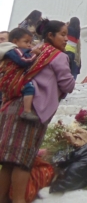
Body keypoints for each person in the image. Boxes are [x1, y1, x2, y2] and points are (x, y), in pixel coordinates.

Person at [0, 19, 75, 203]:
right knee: (23, 161)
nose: (66, 39)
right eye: (63, 35)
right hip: (31, 113)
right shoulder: (58, 56)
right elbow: (68, 84)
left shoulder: (32, 51)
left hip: (12, 107)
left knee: (8, 162)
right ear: (50, 35)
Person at [0, 28, 40, 121]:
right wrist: (35, 54)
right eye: (26, 42)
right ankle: (27, 111)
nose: (29, 45)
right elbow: (24, 61)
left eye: (30, 42)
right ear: (15, 41)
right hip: (12, 79)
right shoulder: (15, 51)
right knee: (29, 87)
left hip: (8, 81)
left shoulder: (10, 51)